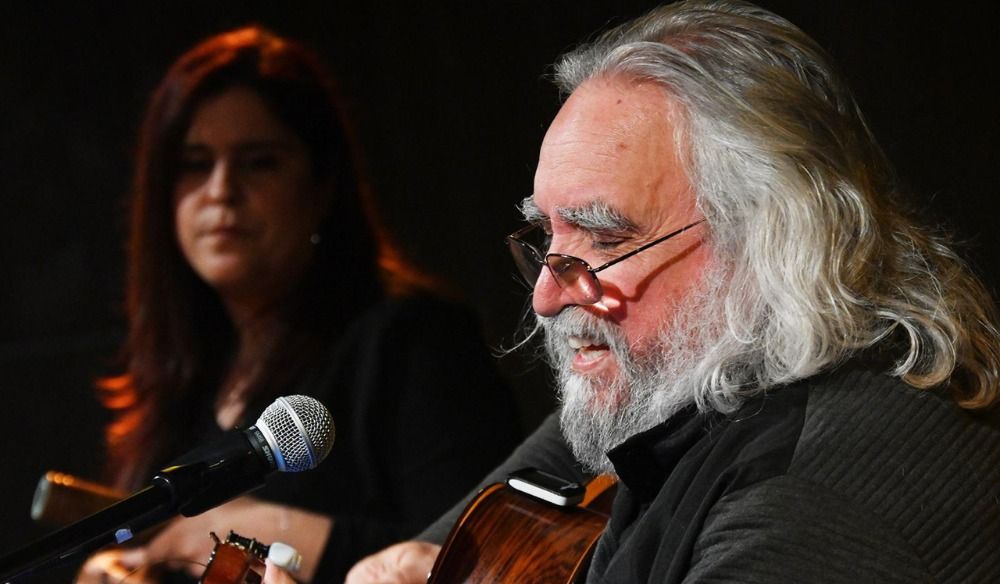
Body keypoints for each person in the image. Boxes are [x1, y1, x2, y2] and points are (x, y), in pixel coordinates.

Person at [306, 1, 1000, 582]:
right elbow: (464, 530)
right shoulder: (690, 382)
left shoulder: (806, 510)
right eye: (546, 237)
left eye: (605, 241)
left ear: (774, 239)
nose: (547, 297)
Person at [75, 26, 521, 584]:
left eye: (258, 162)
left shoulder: (412, 339)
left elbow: (479, 556)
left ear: (321, 186)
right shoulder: (180, 374)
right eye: (193, 164)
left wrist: (256, 526)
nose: (221, 191)